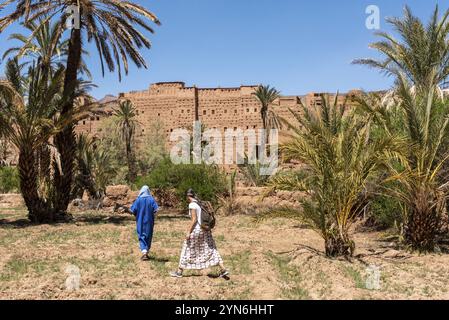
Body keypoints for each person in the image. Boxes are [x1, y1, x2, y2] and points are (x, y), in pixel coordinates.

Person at [170, 189, 228, 278]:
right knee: (211, 249)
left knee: (187, 249)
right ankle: (223, 269)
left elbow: (194, 220)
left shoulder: (192, 205)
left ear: (188, 196)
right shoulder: (200, 203)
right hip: (206, 230)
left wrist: (189, 232)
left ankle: (179, 272)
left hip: (197, 230)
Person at [130, 185, 159, 261]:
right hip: (149, 221)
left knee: (141, 235)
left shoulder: (138, 200)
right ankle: (146, 251)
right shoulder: (151, 199)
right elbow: (156, 210)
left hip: (140, 221)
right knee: (149, 235)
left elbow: (133, 210)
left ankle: (144, 252)